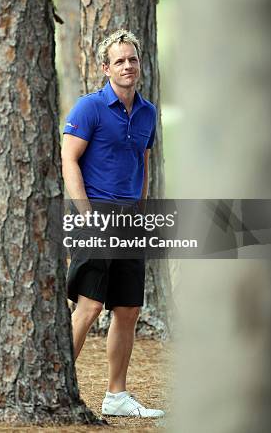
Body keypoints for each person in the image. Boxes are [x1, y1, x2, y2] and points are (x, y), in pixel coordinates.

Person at [61, 29, 165, 418]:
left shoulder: (149, 112)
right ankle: (59, 387)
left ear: (140, 64)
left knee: (127, 309)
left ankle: (116, 395)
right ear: (106, 68)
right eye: (119, 60)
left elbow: (144, 162)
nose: (127, 66)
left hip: (130, 218)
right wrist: (85, 215)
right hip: (96, 214)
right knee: (88, 307)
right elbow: (69, 158)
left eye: (132, 59)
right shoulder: (88, 108)